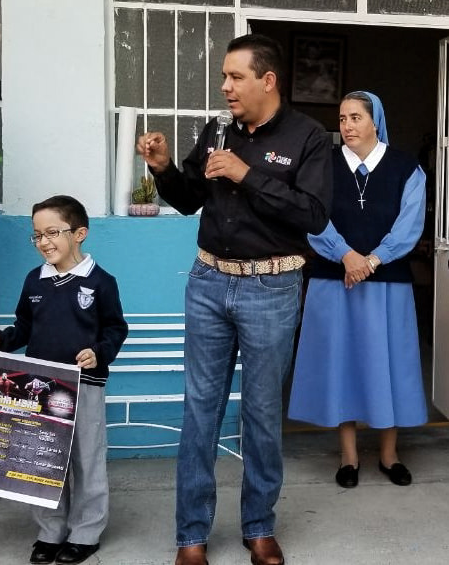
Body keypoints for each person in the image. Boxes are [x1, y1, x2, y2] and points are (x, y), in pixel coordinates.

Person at [137, 34, 332, 565]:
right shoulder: (217, 130)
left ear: (267, 80)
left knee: (263, 413)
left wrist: (249, 176)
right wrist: (163, 169)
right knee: (200, 410)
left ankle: (259, 525)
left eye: (235, 77)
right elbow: (189, 200)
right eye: (223, 77)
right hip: (207, 284)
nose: (225, 87)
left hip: (272, 287)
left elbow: (313, 216)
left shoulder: (309, 138)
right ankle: (191, 536)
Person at [0, 195, 128, 565]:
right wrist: (2, 338)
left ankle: (86, 532)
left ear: (79, 234)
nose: (44, 241)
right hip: (39, 388)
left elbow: (115, 329)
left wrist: (99, 352)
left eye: (53, 232)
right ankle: (50, 531)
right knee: (42, 462)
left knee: (86, 461)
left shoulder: (101, 282)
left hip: (85, 385)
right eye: (37, 235)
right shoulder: (34, 281)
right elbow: (24, 328)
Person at [288, 91, 427, 489]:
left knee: (390, 367)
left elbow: (409, 225)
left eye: (355, 118)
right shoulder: (323, 167)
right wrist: (347, 255)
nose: (346, 125)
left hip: (387, 285)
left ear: (374, 121)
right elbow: (314, 219)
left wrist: (371, 260)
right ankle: (348, 457)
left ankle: (388, 454)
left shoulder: (406, 168)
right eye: (343, 118)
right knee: (341, 366)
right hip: (335, 283)